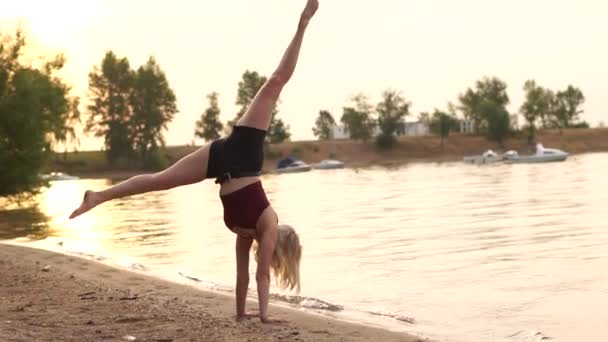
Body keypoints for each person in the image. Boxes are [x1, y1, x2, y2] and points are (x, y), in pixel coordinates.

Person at [69, 0, 319, 324]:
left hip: (221, 158)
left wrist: (243, 315)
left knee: (158, 181)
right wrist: (265, 318)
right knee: (275, 83)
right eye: (277, 257)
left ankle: (99, 196)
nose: (271, 259)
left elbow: (245, 276)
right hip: (244, 150)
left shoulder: (248, 233)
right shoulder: (269, 223)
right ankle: (303, 24)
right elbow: (262, 277)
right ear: (283, 247)